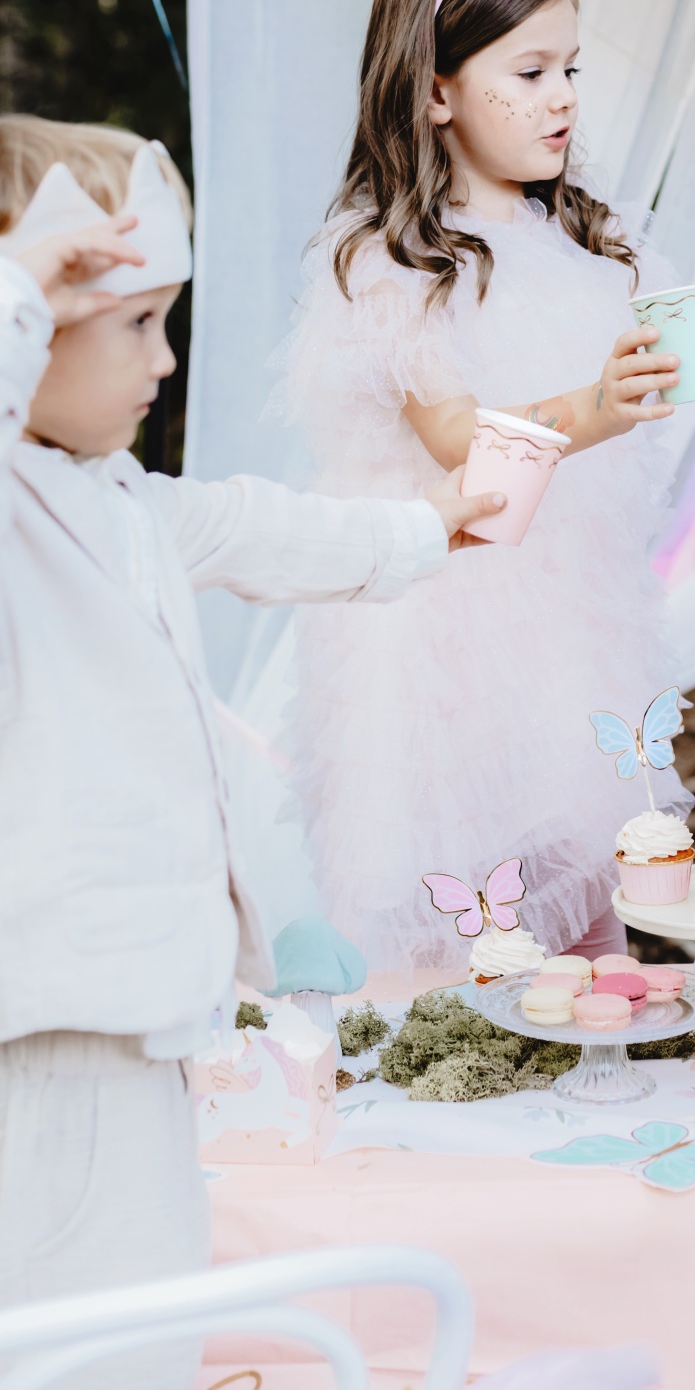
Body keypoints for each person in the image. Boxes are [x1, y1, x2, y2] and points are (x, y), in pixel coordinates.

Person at [0, 114, 502, 1386]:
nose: (164, 361)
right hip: (45, 1040)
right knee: (75, 1352)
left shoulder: (118, 502)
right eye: (132, 324)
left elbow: (270, 531)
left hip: (141, 1023)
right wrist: (18, 288)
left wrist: (434, 523)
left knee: (148, 1333)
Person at [275, 0, 691, 974]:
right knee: (470, 930)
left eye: (570, 69)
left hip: (569, 620)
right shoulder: (387, 263)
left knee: (584, 900)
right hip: (444, 641)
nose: (561, 98)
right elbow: (462, 452)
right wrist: (600, 407)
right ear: (439, 90)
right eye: (530, 72)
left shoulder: (581, 241)